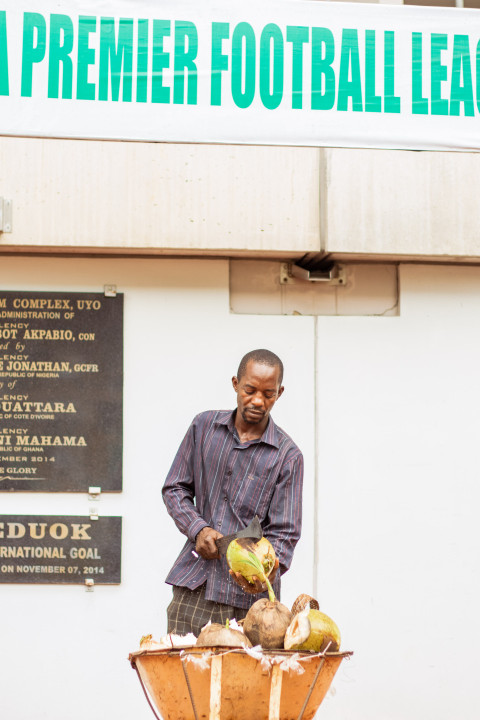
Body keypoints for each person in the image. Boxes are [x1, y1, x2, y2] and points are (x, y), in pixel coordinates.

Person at [162, 348, 303, 636]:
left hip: (253, 609)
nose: (258, 401)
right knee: (183, 677)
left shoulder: (287, 456)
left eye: (268, 394)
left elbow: (285, 535)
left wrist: (267, 571)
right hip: (195, 588)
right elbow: (175, 487)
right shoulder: (203, 428)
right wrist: (198, 529)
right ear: (236, 384)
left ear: (280, 393)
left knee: (247, 681)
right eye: (250, 390)